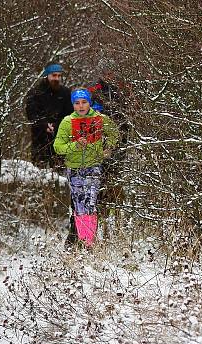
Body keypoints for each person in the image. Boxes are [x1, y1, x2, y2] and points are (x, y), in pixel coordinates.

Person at [53, 88, 118, 248]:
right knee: (79, 203)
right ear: (73, 105)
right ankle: (84, 241)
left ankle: (89, 242)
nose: (81, 106)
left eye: (84, 102)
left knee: (91, 202)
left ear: (90, 102)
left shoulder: (100, 119)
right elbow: (58, 146)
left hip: (93, 165)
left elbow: (115, 134)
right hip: (74, 168)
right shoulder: (67, 121)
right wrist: (75, 145)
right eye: (77, 103)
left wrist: (107, 149)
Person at [88, 74, 130, 216]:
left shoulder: (122, 91)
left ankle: (107, 210)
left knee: (111, 177)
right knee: (104, 176)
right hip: (103, 142)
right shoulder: (95, 91)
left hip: (116, 141)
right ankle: (101, 210)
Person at [25, 62, 74, 169]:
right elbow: (32, 114)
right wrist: (44, 125)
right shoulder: (35, 93)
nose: (57, 78)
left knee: (60, 171)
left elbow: (69, 114)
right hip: (40, 138)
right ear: (47, 75)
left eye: (59, 76)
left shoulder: (65, 93)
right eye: (54, 75)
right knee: (39, 168)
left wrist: (57, 126)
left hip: (61, 137)